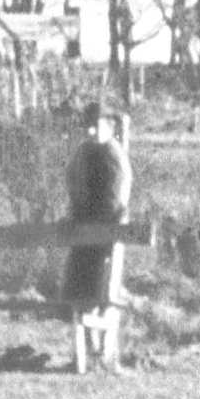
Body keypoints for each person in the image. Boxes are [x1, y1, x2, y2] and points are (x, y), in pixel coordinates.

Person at [62, 100, 133, 373]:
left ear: (109, 127)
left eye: (97, 126)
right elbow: (74, 185)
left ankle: (103, 353)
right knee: (77, 290)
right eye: (88, 126)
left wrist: (102, 224)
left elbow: (117, 196)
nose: (91, 132)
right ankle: (87, 352)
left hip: (104, 233)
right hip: (82, 233)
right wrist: (74, 216)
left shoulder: (113, 155)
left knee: (100, 291)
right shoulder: (82, 153)